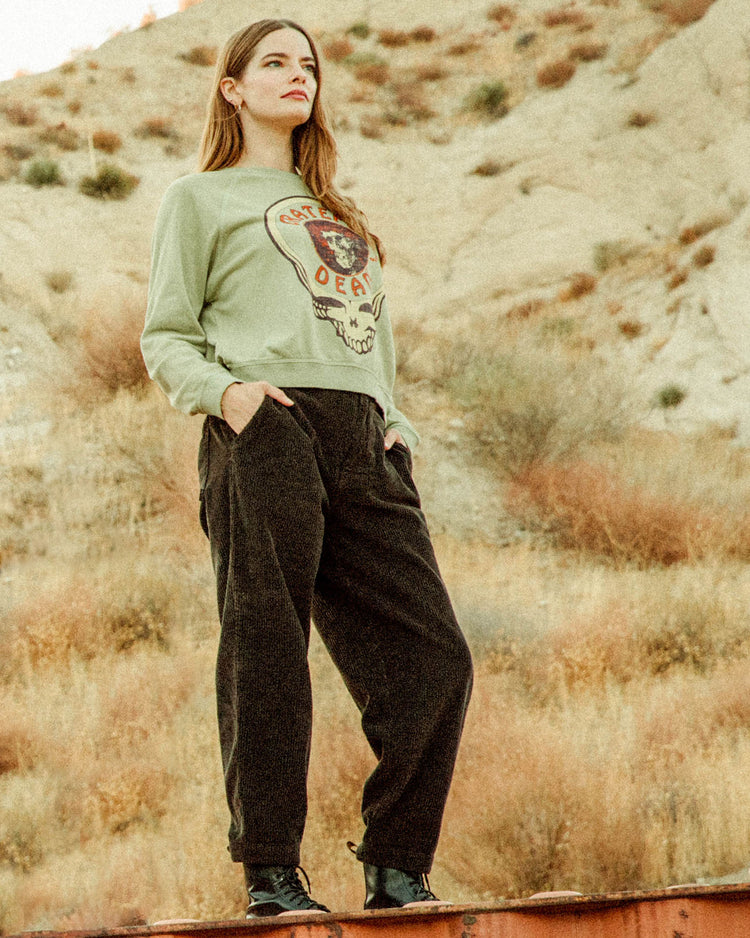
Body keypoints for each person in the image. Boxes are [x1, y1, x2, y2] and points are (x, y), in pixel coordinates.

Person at [141, 18, 473, 919]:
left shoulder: (340, 213)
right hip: (267, 425)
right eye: (275, 63)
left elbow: (374, 341)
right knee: (267, 644)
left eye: (309, 66)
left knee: (435, 657)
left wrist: (394, 423)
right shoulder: (198, 200)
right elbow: (165, 335)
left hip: (365, 438)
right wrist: (228, 396)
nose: (299, 76)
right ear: (233, 88)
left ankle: (396, 869)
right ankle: (271, 874)